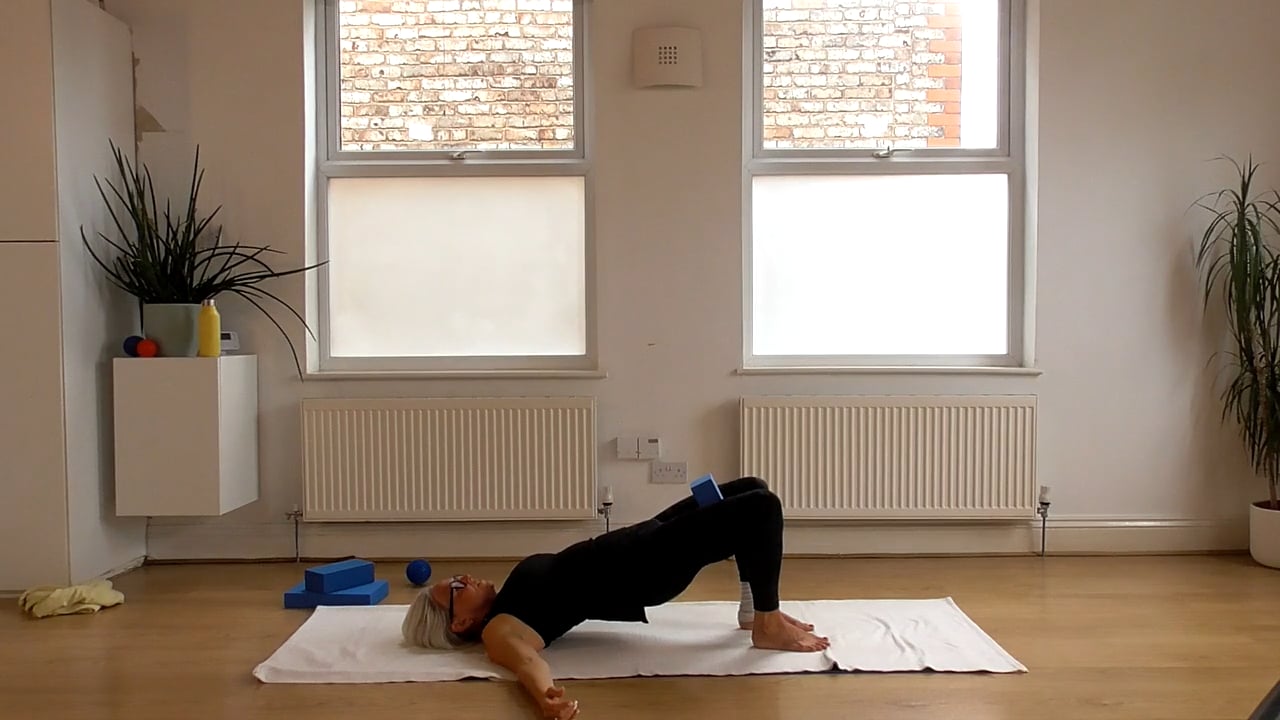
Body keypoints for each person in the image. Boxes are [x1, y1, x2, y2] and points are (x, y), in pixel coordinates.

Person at [401, 476, 829, 720]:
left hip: (639, 540)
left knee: (749, 488)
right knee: (761, 507)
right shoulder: (500, 630)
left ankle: (752, 610)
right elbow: (528, 663)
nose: (465, 578)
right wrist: (546, 697)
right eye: (456, 587)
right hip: (645, 569)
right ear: (460, 622)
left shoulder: (503, 605)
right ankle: (766, 623)